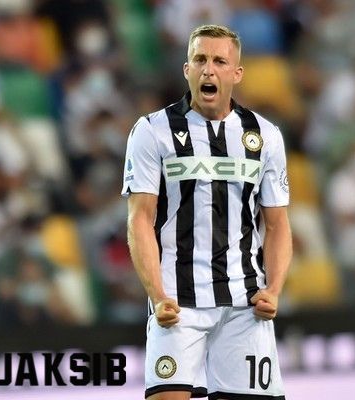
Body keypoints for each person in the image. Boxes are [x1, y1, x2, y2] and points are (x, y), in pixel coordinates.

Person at [122, 24, 291, 400]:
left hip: (244, 303)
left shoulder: (264, 136)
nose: (208, 69)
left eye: (219, 61)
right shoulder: (153, 131)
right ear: (187, 69)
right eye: (199, 59)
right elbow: (140, 219)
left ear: (237, 73)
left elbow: (277, 224)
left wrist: (274, 289)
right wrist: (157, 295)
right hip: (178, 303)